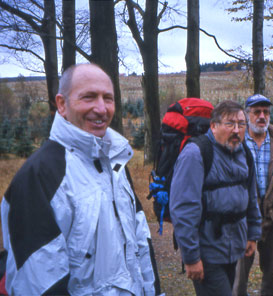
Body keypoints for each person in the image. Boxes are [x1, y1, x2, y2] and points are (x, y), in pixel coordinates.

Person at [1, 63, 160, 295]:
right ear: (62, 104)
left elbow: (141, 243)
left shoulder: (116, 165)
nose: (101, 108)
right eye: (88, 97)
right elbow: (40, 284)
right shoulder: (39, 177)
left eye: (108, 98)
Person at [169, 100, 262, 296]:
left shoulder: (244, 152)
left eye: (241, 124)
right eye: (230, 124)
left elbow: (251, 197)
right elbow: (184, 209)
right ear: (213, 125)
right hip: (207, 251)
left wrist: (253, 234)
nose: (236, 130)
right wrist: (191, 257)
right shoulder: (196, 154)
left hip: (232, 248)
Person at [233, 94, 273, 296]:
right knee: (238, 281)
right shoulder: (235, 142)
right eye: (257, 112)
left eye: (266, 112)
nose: (262, 116)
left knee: (272, 279)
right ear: (247, 114)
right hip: (241, 223)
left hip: (272, 221)